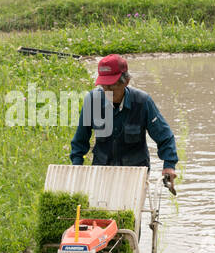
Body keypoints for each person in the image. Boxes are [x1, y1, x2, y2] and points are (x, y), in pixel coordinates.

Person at [70, 53, 178, 191]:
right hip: (102, 171)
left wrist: (169, 165)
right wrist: (76, 167)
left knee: (130, 210)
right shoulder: (93, 101)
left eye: (112, 87)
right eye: (104, 87)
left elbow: (165, 137)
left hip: (134, 173)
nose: (107, 91)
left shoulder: (142, 102)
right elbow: (80, 140)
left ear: (126, 81)